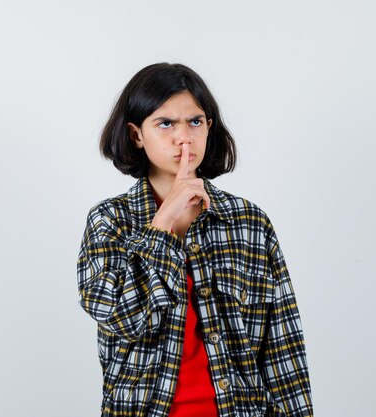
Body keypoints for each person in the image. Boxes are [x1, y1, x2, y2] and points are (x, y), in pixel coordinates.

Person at [76, 63, 313, 417]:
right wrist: (162, 222)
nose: (184, 137)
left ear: (209, 128)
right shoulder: (110, 221)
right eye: (165, 123)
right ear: (136, 134)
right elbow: (119, 315)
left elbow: (282, 350)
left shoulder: (249, 222)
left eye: (195, 122)